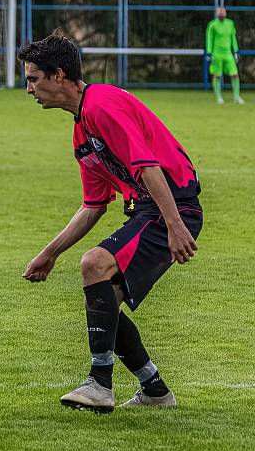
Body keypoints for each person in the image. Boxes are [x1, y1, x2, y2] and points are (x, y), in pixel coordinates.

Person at [18, 31, 203, 413]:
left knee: (94, 265)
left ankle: (100, 384)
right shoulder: (81, 130)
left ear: (58, 76)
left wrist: (174, 224)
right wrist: (49, 253)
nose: (28, 89)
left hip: (171, 205)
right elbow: (92, 206)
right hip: (152, 210)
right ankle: (154, 389)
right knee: (103, 299)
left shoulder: (102, 106)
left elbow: (148, 166)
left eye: (33, 79)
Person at [206, 7, 244, 105]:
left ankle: (236, 97)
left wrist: (235, 51)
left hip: (228, 53)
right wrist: (209, 53)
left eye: (223, 11)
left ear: (226, 13)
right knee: (217, 75)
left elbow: (233, 38)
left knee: (235, 74)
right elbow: (209, 39)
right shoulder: (212, 25)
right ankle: (219, 97)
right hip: (216, 53)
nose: (222, 13)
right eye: (220, 12)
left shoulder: (230, 24)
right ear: (217, 14)